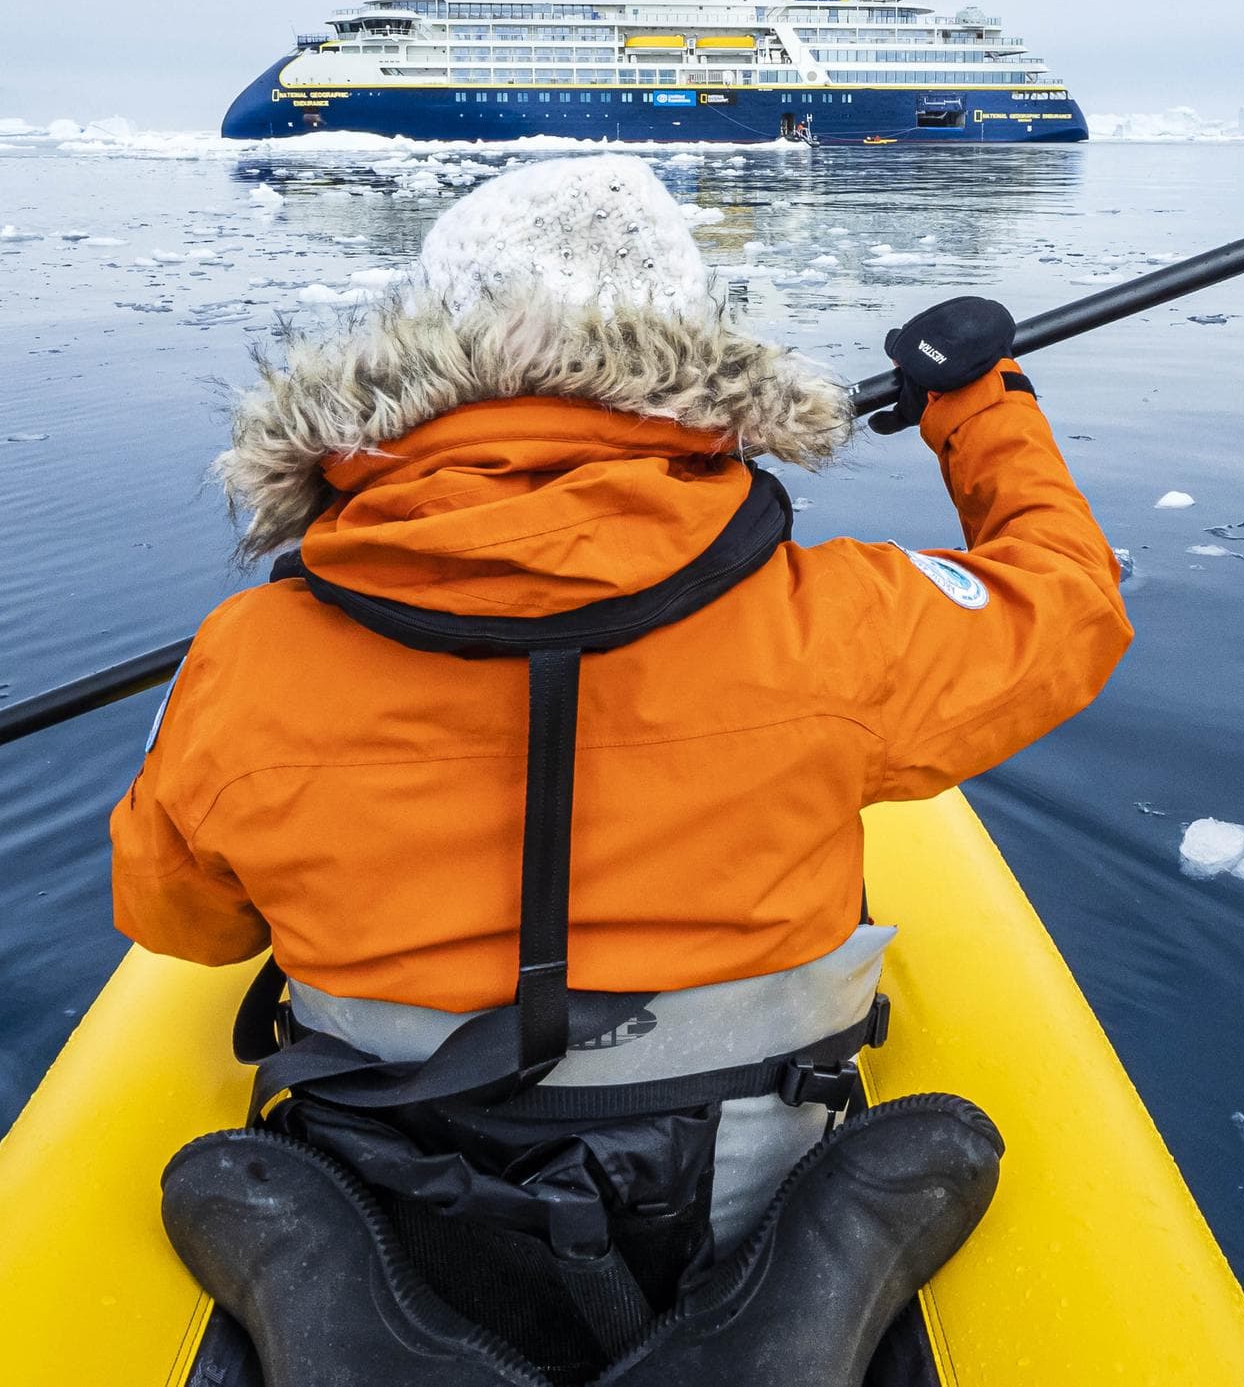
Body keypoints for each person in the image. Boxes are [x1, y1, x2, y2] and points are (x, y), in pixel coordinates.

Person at [109, 156, 1132, 1386]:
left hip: (390, 1167)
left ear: (419, 350)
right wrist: (980, 408)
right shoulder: (840, 622)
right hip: (735, 1177)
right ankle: (772, 1308)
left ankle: (372, 1318)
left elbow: (183, 924)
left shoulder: (249, 656)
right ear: (686, 343)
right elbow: (1067, 603)